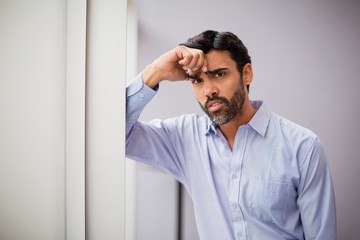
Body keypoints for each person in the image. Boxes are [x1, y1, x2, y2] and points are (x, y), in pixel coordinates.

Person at [126, 30, 336, 240]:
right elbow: (117, 136)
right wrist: (154, 72)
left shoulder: (303, 147)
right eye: (197, 80)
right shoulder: (185, 138)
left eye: (219, 74)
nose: (208, 90)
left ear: (247, 74)